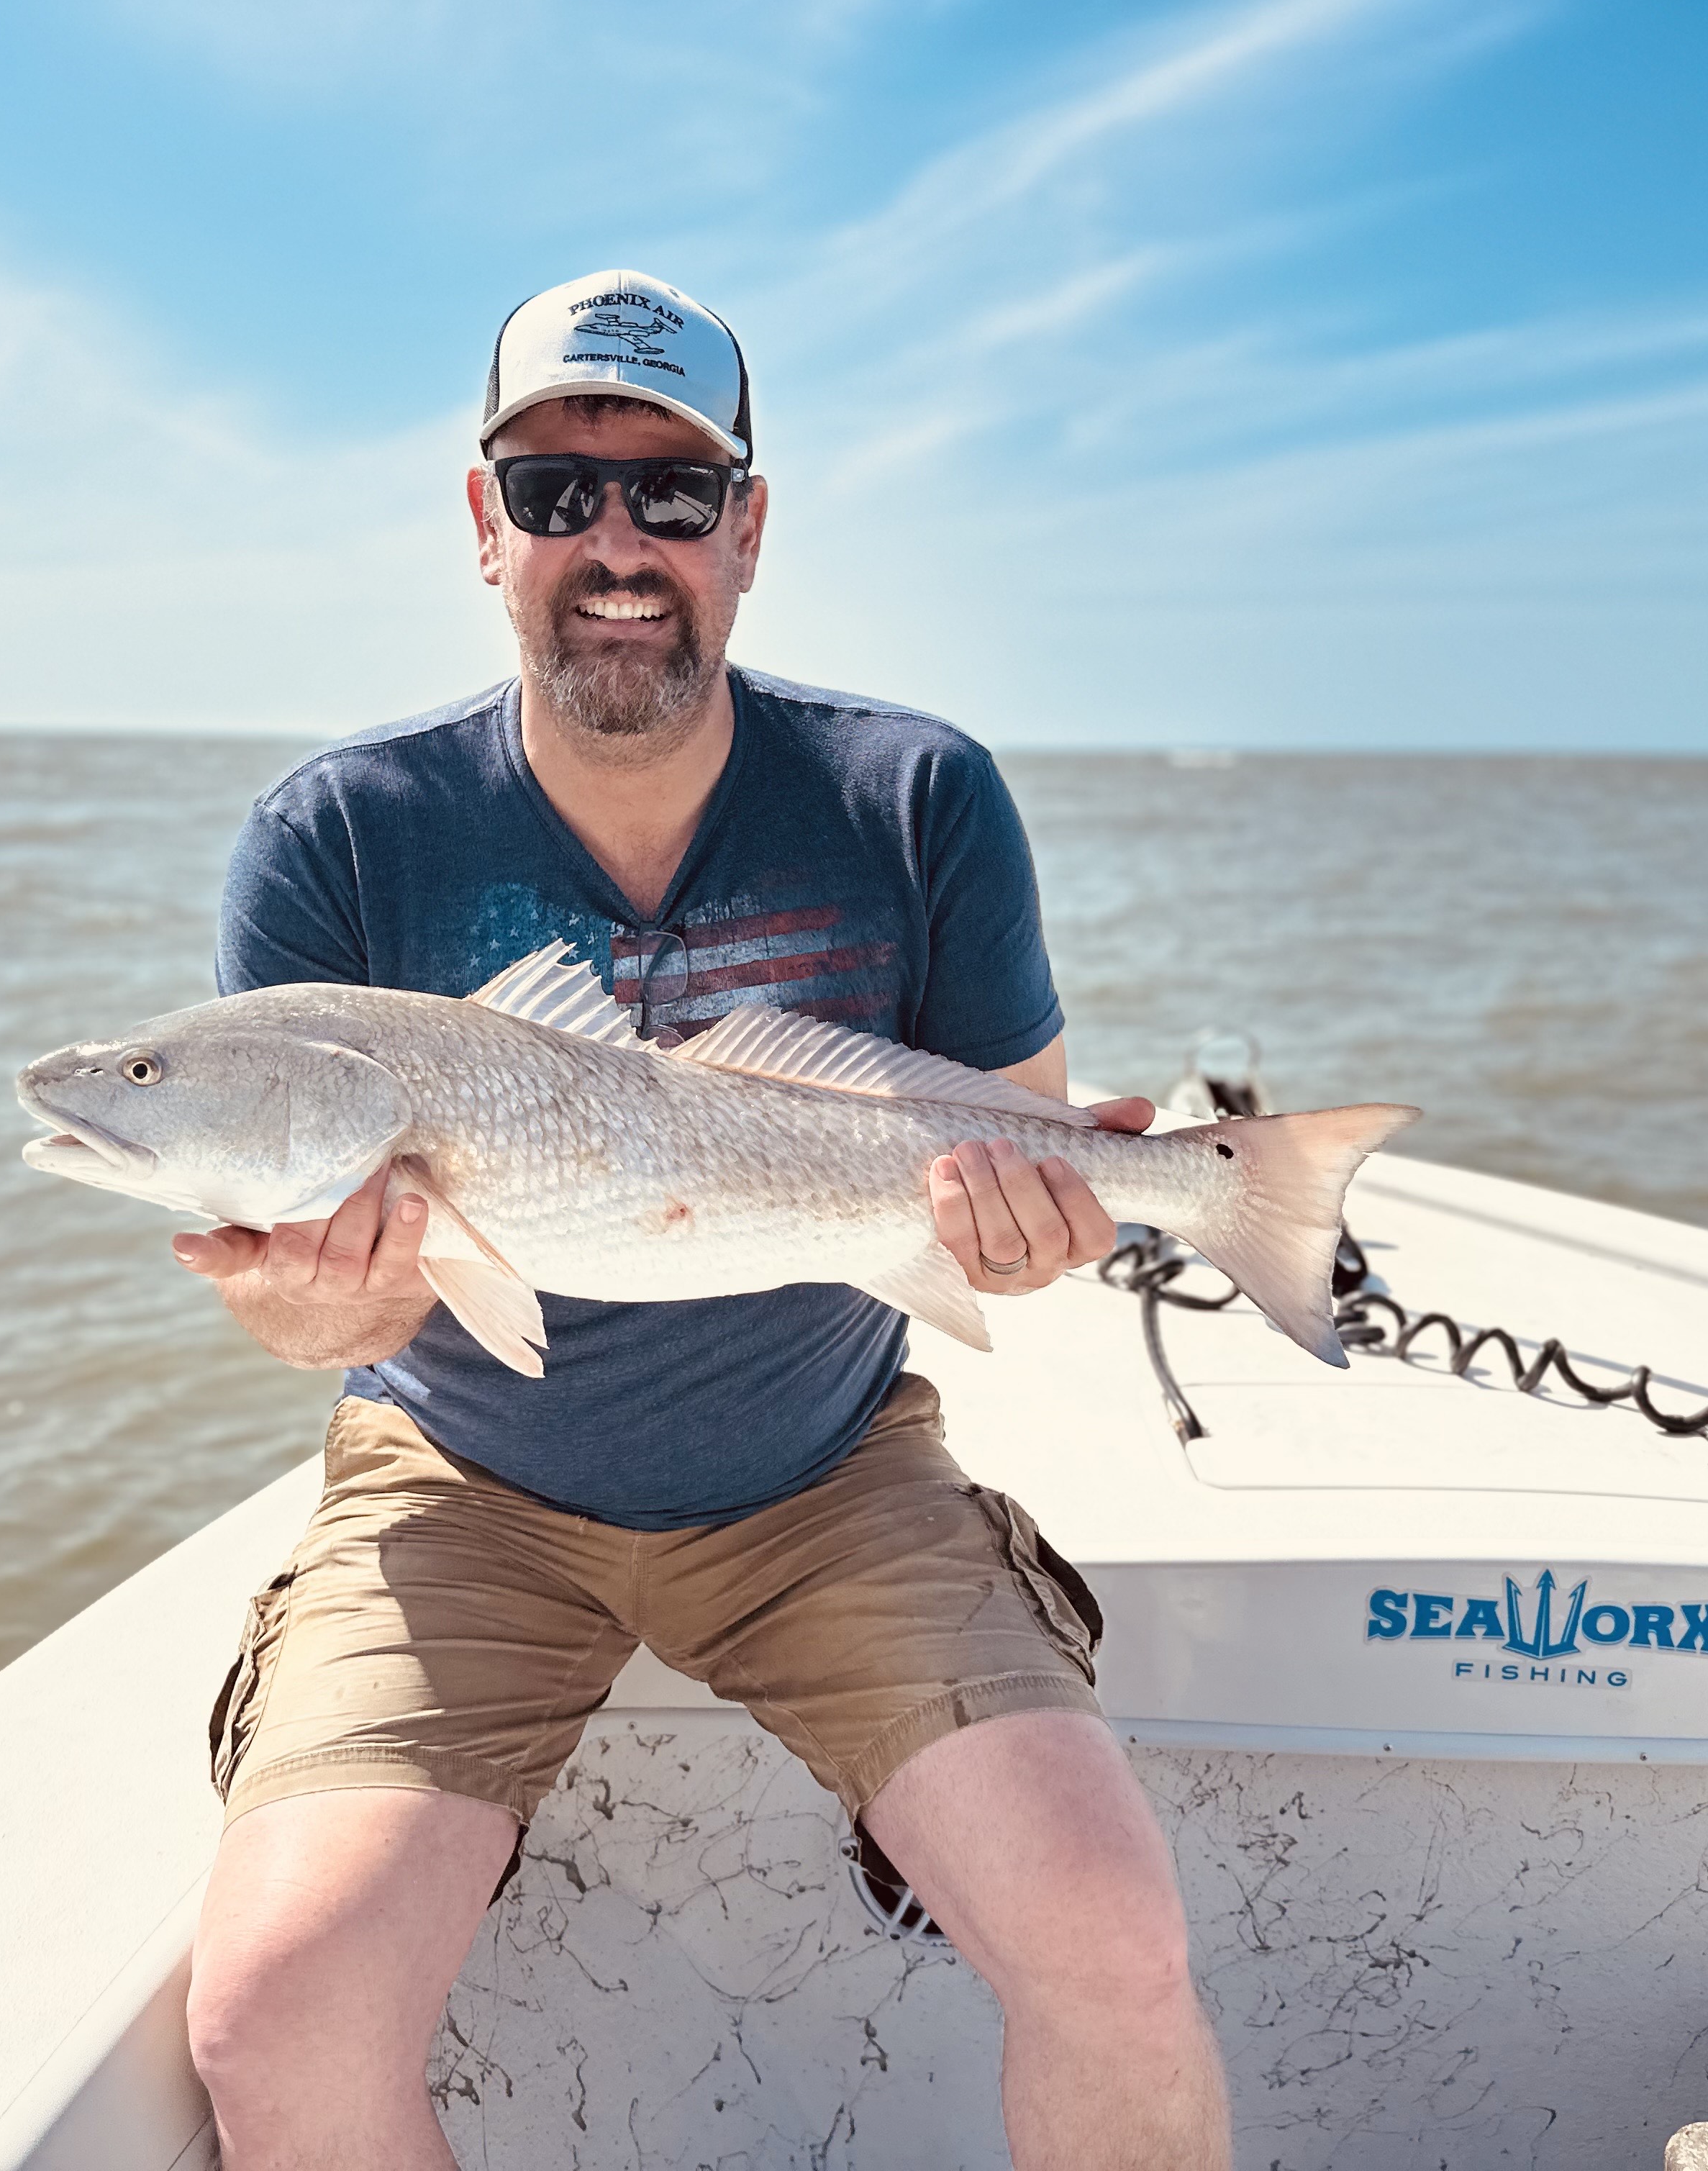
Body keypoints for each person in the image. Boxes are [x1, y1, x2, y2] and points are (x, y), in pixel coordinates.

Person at [176, 268, 1229, 2170]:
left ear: (749, 526)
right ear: (482, 522)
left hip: (832, 1480)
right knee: (270, 2013)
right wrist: (319, 1305)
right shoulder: (332, 841)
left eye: (672, 492)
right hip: (462, 1490)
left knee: (1118, 1938)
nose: (617, 543)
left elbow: (1023, 1146)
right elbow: (313, 1331)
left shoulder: (916, 796)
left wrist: (1038, 1223)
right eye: (557, 487)